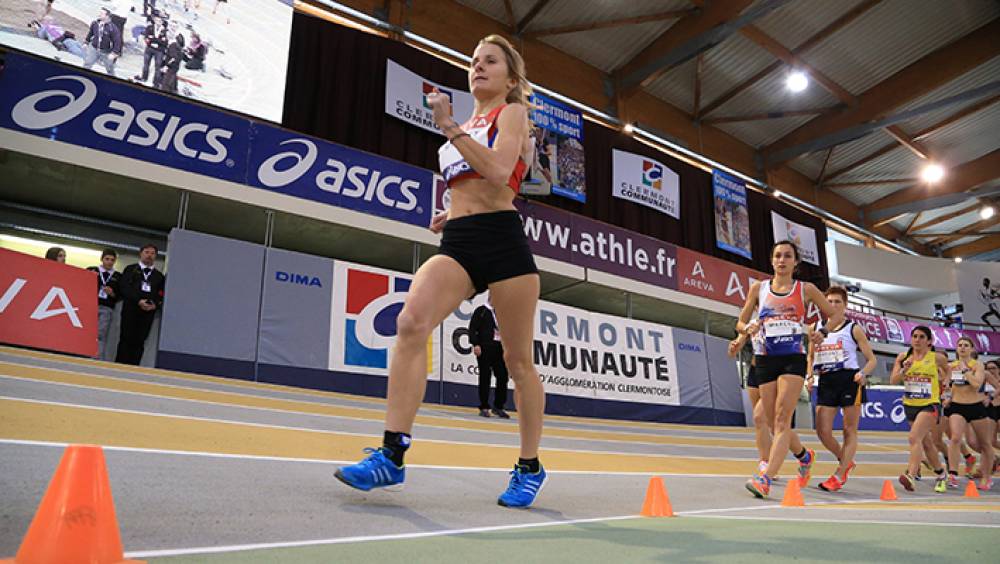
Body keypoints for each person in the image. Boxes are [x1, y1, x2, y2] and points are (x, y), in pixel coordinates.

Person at [335, 35, 546, 508]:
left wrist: (449, 125)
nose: (478, 67)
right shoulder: (464, 125)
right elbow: (469, 186)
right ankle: (392, 455)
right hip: (461, 242)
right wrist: (450, 212)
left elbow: (497, 172)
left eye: (490, 61)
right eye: (473, 61)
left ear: (511, 78)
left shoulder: (510, 114)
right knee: (410, 322)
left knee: (518, 362)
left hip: (503, 242)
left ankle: (529, 465)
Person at [738, 240, 839, 499]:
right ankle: (805, 456)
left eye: (787, 256)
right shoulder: (758, 289)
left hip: (792, 359)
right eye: (778, 256)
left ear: (796, 263)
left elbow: (835, 315)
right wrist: (746, 328)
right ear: (772, 261)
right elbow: (740, 321)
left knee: (782, 419)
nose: (782, 260)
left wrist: (823, 332)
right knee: (771, 422)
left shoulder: (806, 289)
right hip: (764, 358)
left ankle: (765, 479)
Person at [807, 286, 876, 492]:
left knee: (849, 430)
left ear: (845, 305)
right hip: (826, 379)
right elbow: (810, 356)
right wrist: (809, 375)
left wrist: (863, 373)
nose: (833, 305)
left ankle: (840, 473)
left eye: (838, 302)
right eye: (830, 301)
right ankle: (845, 460)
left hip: (849, 379)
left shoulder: (853, 328)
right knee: (822, 431)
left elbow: (872, 360)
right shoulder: (815, 328)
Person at [891, 326, 951, 492]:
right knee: (926, 444)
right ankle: (941, 473)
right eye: (914, 336)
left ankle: (911, 475)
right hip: (910, 405)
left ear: (929, 341)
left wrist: (946, 383)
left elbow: (949, 370)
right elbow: (894, 380)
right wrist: (905, 369)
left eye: (922, 337)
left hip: (929, 404)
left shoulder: (936, 358)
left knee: (913, 437)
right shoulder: (903, 357)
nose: (917, 339)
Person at [944, 337, 995, 490]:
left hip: (976, 407)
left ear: (972, 349)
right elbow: (949, 386)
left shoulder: (977, 365)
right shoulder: (951, 366)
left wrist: (965, 370)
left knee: (985, 443)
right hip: (957, 406)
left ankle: (986, 477)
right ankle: (953, 474)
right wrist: (947, 398)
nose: (962, 348)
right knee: (955, 438)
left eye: (966, 345)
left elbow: (976, 384)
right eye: (959, 345)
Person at [116, 244, 166, 365]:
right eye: (147, 252)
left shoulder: (159, 276)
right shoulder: (130, 269)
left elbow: (162, 294)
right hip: (131, 309)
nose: (149, 255)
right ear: (141, 253)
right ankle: (119, 367)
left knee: (140, 341)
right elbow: (124, 287)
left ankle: (134, 368)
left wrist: (156, 305)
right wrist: (138, 300)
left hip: (148, 312)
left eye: (152, 253)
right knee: (126, 339)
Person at [468, 298, 509, 418]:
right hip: (484, 348)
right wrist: (475, 344)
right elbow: (472, 329)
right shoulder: (481, 311)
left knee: (502, 376)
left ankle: (498, 406)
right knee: (485, 376)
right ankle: (484, 406)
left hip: (499, 348)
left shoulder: (501, 313)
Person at [87, 249, 121, 360]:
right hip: (89, 305)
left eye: (112, 260)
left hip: (106, 307)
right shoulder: (92, 270)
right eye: (107, 259)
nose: (109, 262)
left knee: (101, 334)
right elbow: (81, 284)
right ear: (102, 259)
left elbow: (121, 294)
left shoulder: (118, 276)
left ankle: (97, 357)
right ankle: (82, 354)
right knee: (86, 331)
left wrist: (112, 293)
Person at [84, 8, 123, 76]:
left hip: (105, 51)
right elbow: (90, 33)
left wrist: (114, 53)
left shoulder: (112, 28)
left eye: (102, 13)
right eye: (99, 13)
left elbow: (117, 41)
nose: (99, 14)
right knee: (87, 63)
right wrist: (86, 42)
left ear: (107, 16)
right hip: (94, 48)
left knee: (110, 68)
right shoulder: (95, 23)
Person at [133, 15, 168, 85]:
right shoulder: (150, 27)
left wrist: (153, 39)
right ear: (155, 20)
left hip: (159, 50)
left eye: (161, 21)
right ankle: (144, 77)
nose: (159, 22)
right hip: (149, 48)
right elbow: (146, 37)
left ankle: (156, 82)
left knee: (158, 66)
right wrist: (158, 40)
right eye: (158, 20)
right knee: (146, 64)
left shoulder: (165, 30)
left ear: (162, 22)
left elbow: (164, 42)